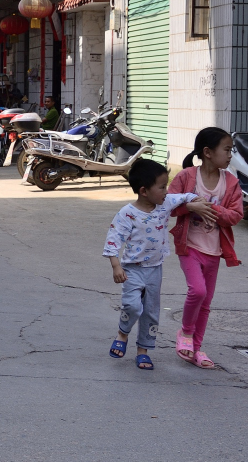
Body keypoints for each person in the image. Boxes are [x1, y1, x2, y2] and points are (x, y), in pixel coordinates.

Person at [103, 157, 214, 370]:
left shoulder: (165, 204)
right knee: (133, 306)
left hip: (155, 269)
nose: (166, 191)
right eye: (162, 187)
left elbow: (184, 197)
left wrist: (195, 203)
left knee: (151, 312)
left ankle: (143, 350)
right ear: (144, 191)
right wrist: (116, 265)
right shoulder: (127, 213)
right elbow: (113, 239)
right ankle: (122, 333)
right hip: (132, 269)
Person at [169, 127, 243, 368]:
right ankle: (186, 334)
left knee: (207, 302)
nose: (230, 155)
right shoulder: (187, 176)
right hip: (189, 246)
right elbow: (168, 205)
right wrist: (190, 206)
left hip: (215, 251)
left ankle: (196, 349)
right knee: (198, 291)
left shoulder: (230, 182)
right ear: (208, 152)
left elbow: (235, 215)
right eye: (227, 150)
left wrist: (210, 209)